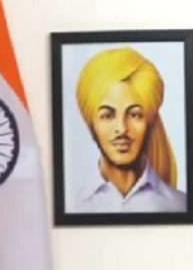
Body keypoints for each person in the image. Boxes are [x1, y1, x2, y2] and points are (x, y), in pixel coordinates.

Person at [72, 46, 186, 213]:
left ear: (149, 121)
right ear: (91, 124)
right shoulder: (73, 206)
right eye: (107, 116)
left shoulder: (180, 205)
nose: (122, 128)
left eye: (134, 115)